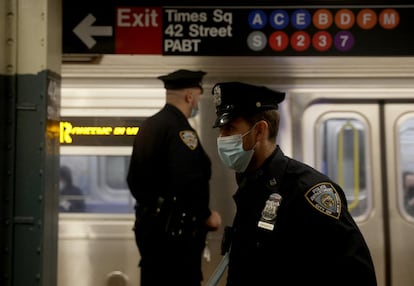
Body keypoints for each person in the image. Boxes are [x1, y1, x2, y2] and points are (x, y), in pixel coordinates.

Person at [210, 81, 377, 286]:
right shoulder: (250, 187)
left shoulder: (307, 191)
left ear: (260, 131)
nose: (221, 138)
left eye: (229, 128)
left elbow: (357, 274)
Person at [127, 69, 222, 286]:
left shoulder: (149, 126)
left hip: (150, 231)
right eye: (197, 96)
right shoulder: (181, 131)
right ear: (190, 96)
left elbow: (134, 180)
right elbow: (188, 181)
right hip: (177, 240)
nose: (197, 102)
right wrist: (206, 215)